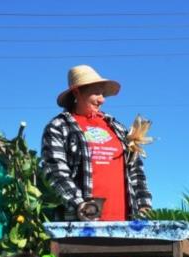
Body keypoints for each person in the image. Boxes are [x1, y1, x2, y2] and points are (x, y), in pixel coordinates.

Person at [42, 64, 152, 221]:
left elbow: (135, 169)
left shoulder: (117, 128)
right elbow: (54, 170)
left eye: (103, 94)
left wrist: (144, 205)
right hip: (82, 223)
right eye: (96, 93)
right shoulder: (58, 127)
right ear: (77, 92)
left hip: (126, 223)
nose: (102, 100)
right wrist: (80, 204)